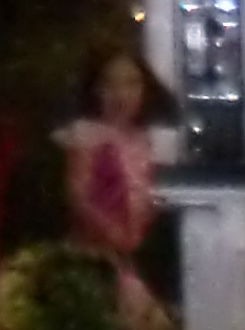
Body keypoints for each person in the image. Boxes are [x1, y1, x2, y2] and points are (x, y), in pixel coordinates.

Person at [56, 41, 170, 327]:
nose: (121, 95)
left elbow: (140, 190)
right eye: (110, 85)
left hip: (125, 253)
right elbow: (77, 193)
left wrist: (147, 213)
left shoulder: (141, 140)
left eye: (131, 84)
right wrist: (109, 229)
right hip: (90, 255)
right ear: (96, 90)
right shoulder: (88, 137)